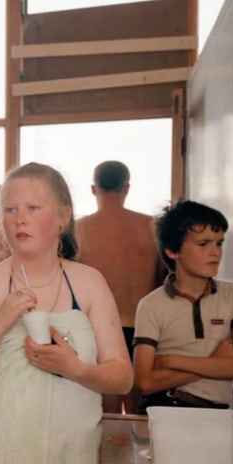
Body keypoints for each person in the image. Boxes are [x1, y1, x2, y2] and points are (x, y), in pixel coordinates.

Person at [0, 162, 132, 464]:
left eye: (33, 208)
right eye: (11, 209)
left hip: (73, 459)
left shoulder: (88, 283)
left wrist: (74, 368)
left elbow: (122, 377)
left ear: (63, 216)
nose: (20, 219)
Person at [133, 200, 233, 412]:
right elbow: (145, 382)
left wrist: (171, 361)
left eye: (219, 243)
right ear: (172, 250)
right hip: (166, 407)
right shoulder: (151, 305)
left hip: (220, 413)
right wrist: (215, 362)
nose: (215, 252)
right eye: (203, 244)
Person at [75, 161, 164, 413]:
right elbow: (162, 282)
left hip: (98, 330)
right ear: (127, 188)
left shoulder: (79, 229)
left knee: (107, 416)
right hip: (144, 330)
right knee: (140, 414)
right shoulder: (152, 227)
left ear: (94, 189)